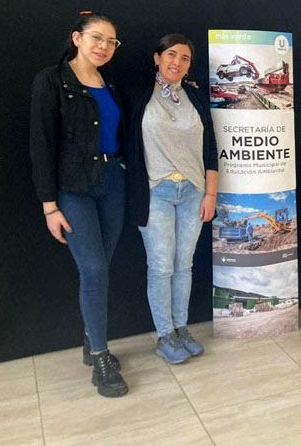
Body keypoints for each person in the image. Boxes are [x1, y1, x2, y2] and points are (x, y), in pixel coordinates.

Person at [29, 11, 128, 397]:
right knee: (94, 268)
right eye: (97, 38)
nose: (104, 47)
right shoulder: (51, 80)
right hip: (73, 188)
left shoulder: (111, 84)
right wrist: (49, 206)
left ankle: (91, 337)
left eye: (111, 42)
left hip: (113, 182)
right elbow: (41, 145)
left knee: (104, 264)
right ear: (77, 37)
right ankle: (101, 356)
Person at [125, 34, 218, 364]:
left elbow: (210, 149)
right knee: (162, 266)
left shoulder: (194, 95)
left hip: (193, 192)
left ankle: (181, 328)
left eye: (185, 58)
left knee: (184, 265)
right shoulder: (138, 95)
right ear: (157, 57)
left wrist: (210, 193)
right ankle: (165, 334)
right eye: (171, 55)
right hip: (156, 193)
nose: (177, 62)